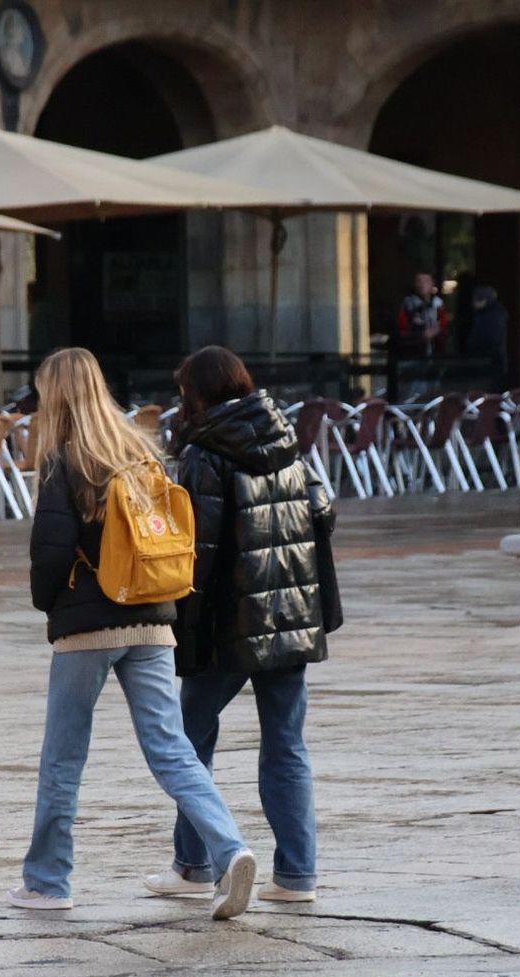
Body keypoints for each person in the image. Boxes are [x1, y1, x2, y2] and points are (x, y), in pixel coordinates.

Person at [11, 347, 257, 920]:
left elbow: (50, 556)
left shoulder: (65, 461)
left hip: (88, 627)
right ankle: (231, 849)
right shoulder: (140, 451)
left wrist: (49, 605)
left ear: (57, 397)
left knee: (63, 758)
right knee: (172, 749)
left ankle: (48, 882)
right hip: (151, 615)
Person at [143, 345, 337, 905]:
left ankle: (193, 865)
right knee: (286, 745)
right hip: (292, 619)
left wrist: (179, 626)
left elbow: (196, 551)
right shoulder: (285, 440)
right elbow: (322, 511)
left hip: (227, 626)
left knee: (188, 741)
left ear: (199, 394)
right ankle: (296, 876)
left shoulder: (206, 452)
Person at [463, 285, 509, 391]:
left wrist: (472, 346)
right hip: (490, 361)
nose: (473, 304)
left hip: (489, 361)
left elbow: (489, 339)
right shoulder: (491, 314)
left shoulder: (491, 316)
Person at [396, 272, 447, 357]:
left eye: (426, 281)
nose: (422, 285)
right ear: (414, 284)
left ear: (432, 283)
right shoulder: (408, 303)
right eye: (419, 281)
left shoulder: (438, 303)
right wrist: (419, 335)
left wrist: (436, 331)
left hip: (436, 351)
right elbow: (402, 330)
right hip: (413, 352)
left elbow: (444, 324)